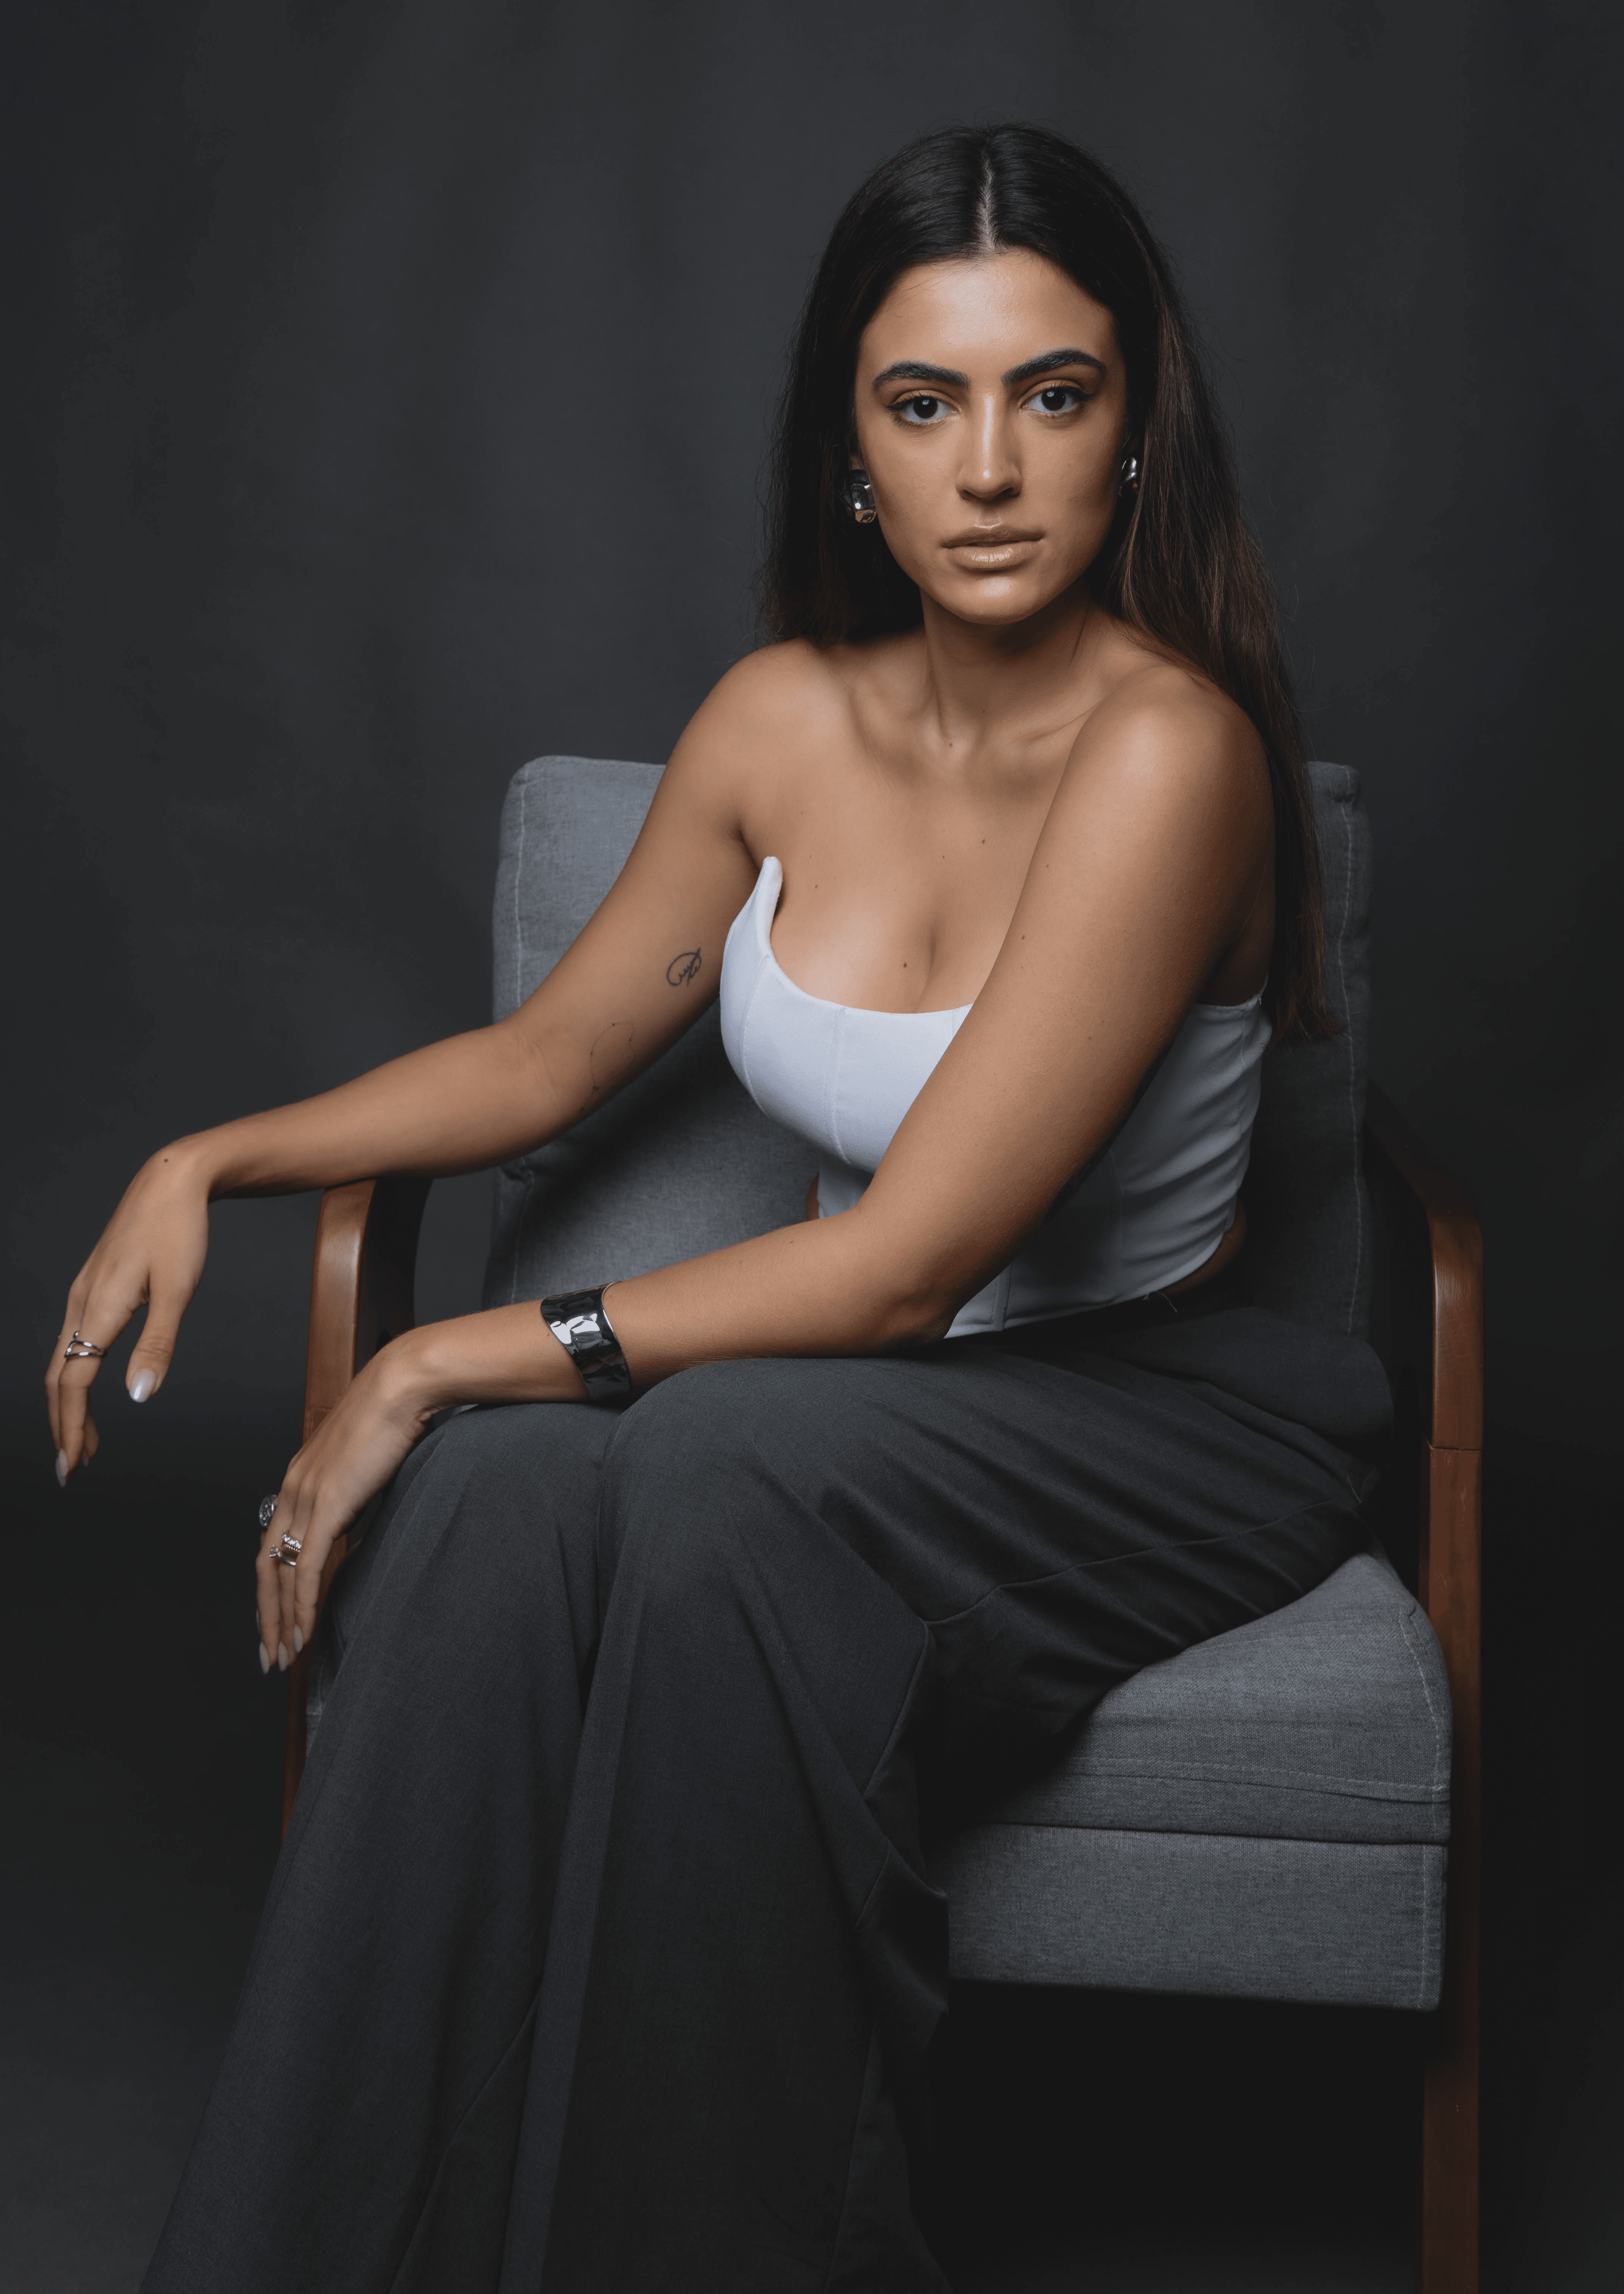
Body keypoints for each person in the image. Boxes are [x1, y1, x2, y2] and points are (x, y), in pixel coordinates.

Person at [49, 123, 1388, 2294]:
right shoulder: (781, 718)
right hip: (856, 1388)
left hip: (1153, 1409)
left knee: (704, 1477)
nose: (986, 468)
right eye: (919, 400)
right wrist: (204, 1152)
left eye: (1053, 395)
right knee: (488, 1515)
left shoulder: (1173, 754)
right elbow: (550, 1065)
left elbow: (910, 1263)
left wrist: (435, 1353)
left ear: (1138, 433)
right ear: (847, 447)